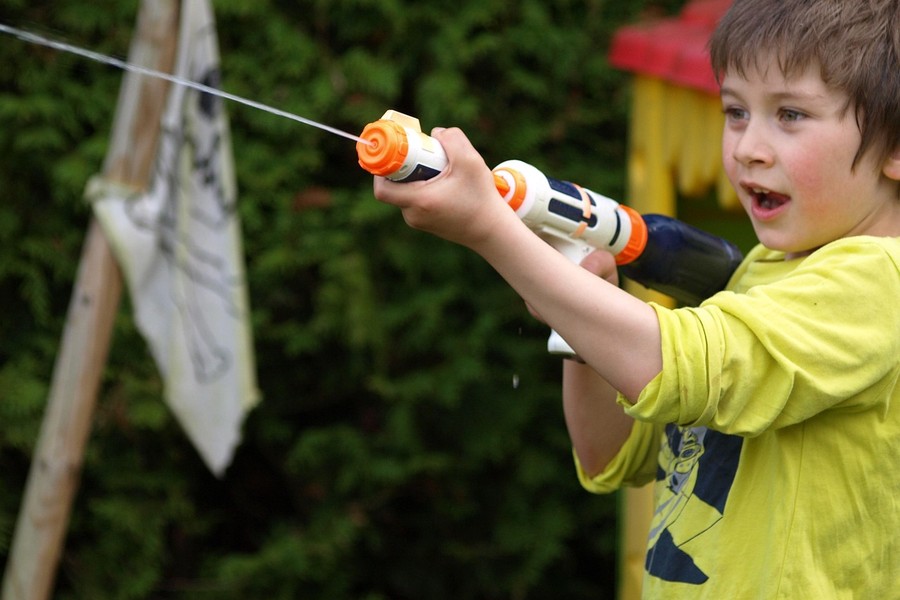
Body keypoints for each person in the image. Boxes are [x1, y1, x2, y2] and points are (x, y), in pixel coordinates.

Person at [372, 0, 900, 595]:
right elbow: (611, 454)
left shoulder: (880, 282)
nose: (748, 147)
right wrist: (582, 316)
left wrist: (487, 228)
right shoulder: (764, 274)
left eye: (791, 114)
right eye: (735, 111)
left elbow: (676, 366)